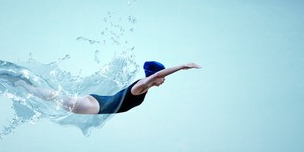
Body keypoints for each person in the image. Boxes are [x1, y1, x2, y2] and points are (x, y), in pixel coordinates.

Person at [13, 61, 202, 114]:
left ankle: (25, 85)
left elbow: (156, 76)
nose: (164, 81)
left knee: (57, 96)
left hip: (95, 102)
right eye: (161, 77)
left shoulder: (143, 88)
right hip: (92, 107)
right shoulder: (140, 86)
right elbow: (156, 76)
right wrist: (182, 67)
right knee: (55, 97)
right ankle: (23, 85)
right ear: (154, 76)